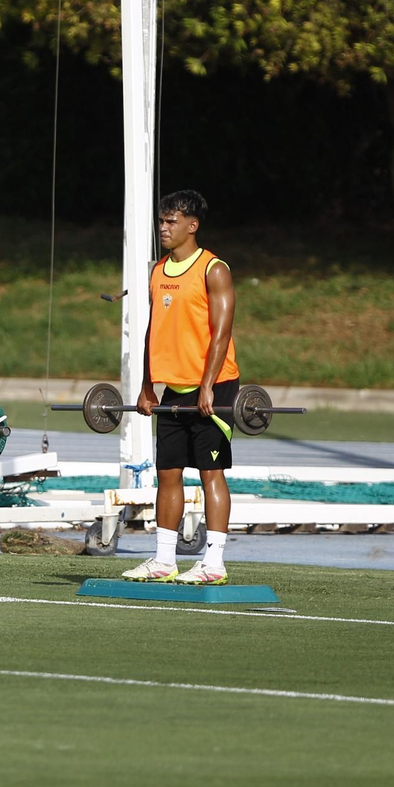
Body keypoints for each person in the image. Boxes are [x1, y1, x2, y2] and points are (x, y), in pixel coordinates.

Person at [122, 190, 238, 585]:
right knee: (168, 472)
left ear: (193, 225)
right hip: (173, 388)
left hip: (215, 384)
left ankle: (214, 563)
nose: (163, 228)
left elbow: (222, 333)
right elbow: (153, 331)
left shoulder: (213, 269)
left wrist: (207, 386)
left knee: (210, 471)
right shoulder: (158, 271)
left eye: (171, 222)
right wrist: (146, 386)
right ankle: (164, 560)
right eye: (162, 221)